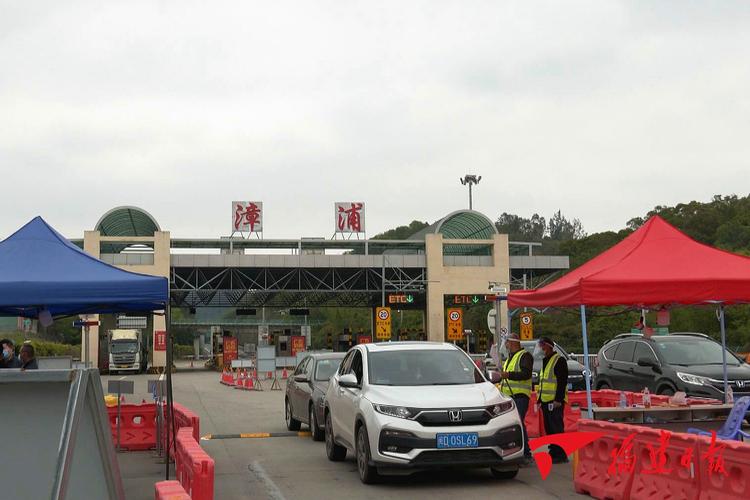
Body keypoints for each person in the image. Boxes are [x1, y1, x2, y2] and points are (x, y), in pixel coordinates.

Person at [498, 333, 533, 462]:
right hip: (509, 397)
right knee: (514, 425)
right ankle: (519, 451)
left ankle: (526, 453)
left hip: (520, 396)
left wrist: (509, 375)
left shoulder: (525, 356)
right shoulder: (510, 358)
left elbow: (526, 374)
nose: (506, 345)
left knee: (518, 424)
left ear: (512, 342)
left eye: (507, 342)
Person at [536, 336, 569, 463]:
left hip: (555, 401)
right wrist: (539, 400)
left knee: (556, 428)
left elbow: (562, 382)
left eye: (542, 346)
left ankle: (561, 454)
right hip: (545, 400)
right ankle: (553, 451)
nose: (541, 348)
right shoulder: (546, 360)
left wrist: (558, 399)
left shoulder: (559, 360)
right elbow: (543, 382)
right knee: (549, 428)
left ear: (548, 346)